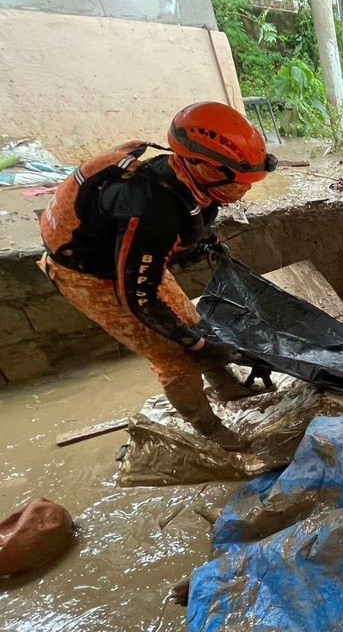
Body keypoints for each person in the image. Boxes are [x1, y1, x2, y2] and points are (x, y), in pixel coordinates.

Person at [38, 102, 277, 450]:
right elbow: (138, 298)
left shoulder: (187, 182)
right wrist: (193, 344)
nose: (243, 192)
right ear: (202, 167)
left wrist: (203, 244)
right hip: (89, 273)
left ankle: (226, 386)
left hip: (128, 252)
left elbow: (178, 231)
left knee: (193, 323)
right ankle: (211, 430)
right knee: (174, 354)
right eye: (237, 185)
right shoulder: (150, 210)